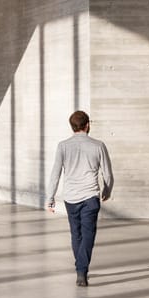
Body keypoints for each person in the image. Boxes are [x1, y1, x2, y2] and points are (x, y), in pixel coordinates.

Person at [47, 110, 114, 287]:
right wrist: (107, 190)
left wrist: (50, 198)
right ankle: (81, 270)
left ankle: (81, 269)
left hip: (71, 197)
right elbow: (107, 173)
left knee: (76, 234)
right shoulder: (98, 145)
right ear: (87, 125)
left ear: (72, 127)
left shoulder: (63, 146)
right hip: (91, 196)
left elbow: (55, 174)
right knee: (88, 233)